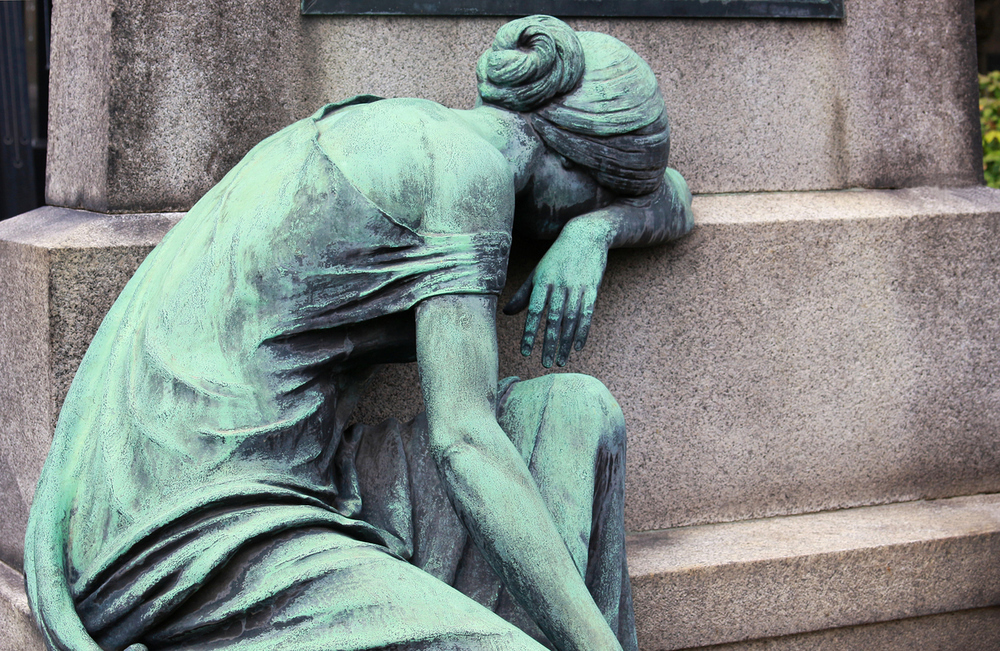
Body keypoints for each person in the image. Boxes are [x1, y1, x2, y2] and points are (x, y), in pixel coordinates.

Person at [25, 15, 693, 651]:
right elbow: (465, 441)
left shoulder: (407, 128)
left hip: (284, 468)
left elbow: (672, 196)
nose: (593, 214)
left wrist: (595, 231)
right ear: (572, 169)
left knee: (578, 414)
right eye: (602, 200)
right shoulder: (469, 177)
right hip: (198, 529)